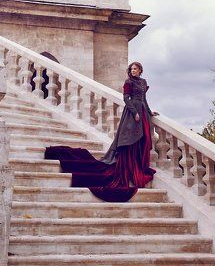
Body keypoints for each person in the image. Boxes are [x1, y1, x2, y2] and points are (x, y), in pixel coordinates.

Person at [45, 62, 159, 202]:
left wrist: (149, 111)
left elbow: (144, 100)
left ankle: (137, 166)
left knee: (142, 139)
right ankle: (128, 167)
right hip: (131, 113)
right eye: (131, 69)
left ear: (140, 70)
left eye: (135, 69)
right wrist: (134, 112)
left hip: (142, 113)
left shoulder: (143, 82)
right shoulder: (128, 82)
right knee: (129, 139)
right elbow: (126, 98)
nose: (133, 71)